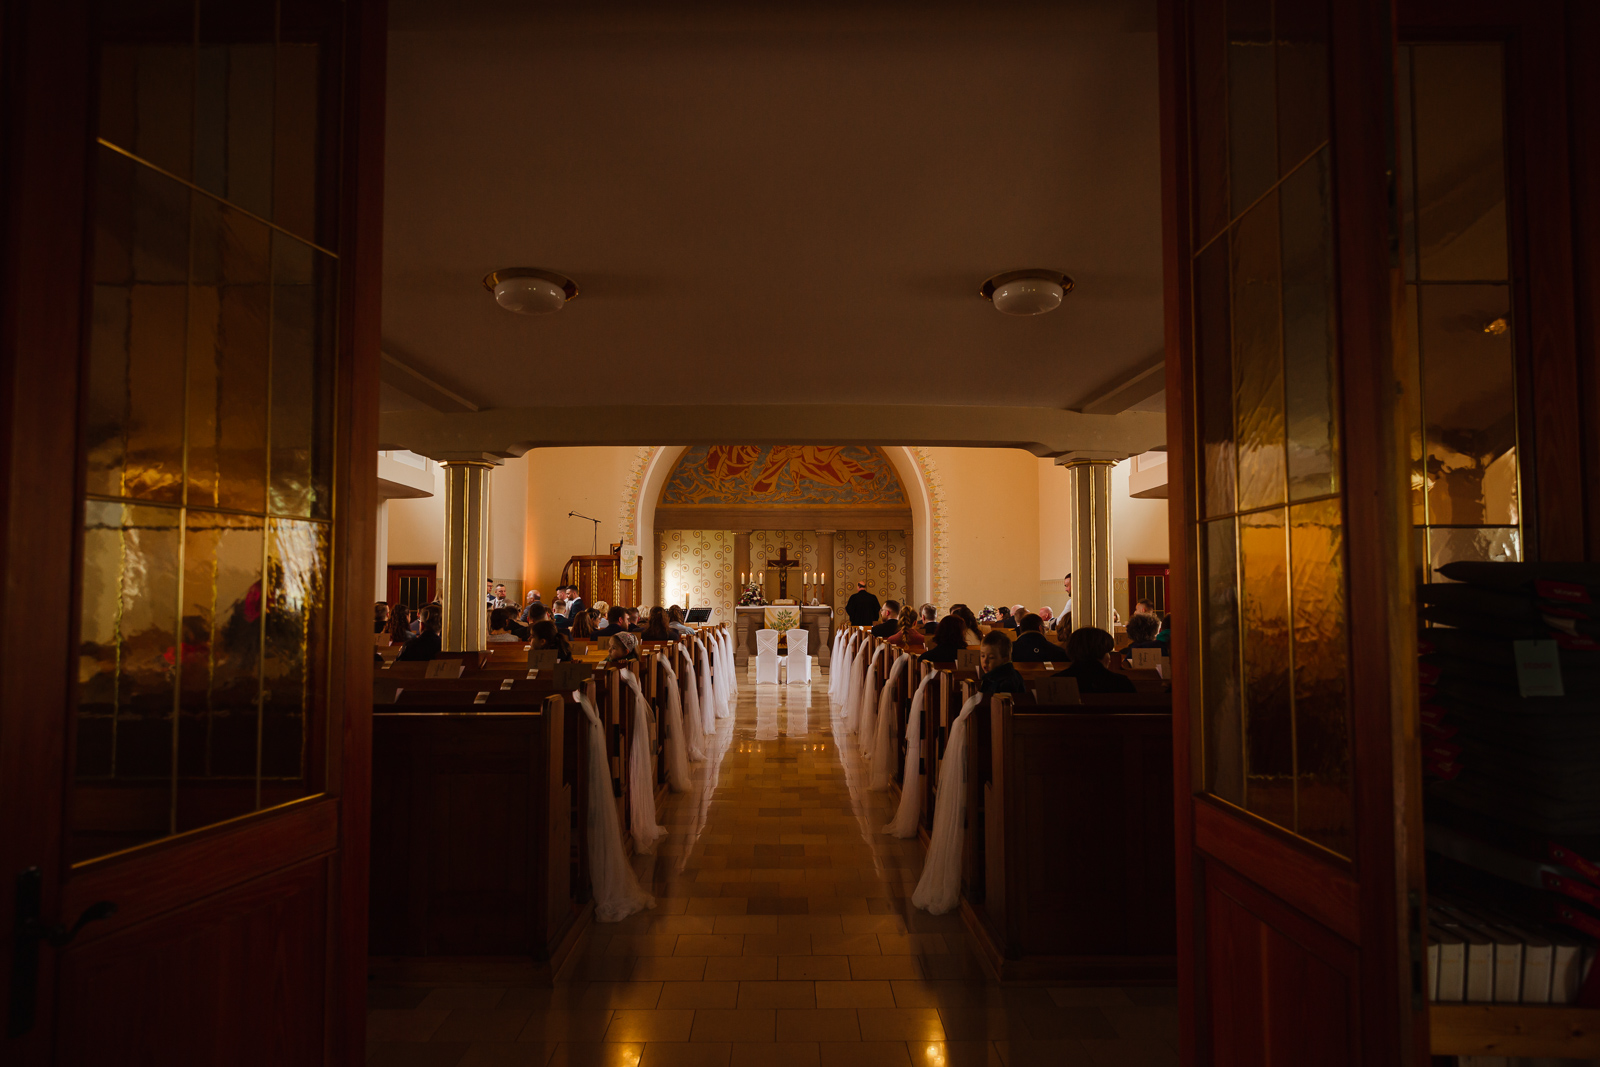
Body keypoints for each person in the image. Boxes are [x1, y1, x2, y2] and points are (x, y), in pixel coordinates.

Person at [1053, 627, 1136, 694]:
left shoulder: (1055, 682)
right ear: (1101, 652)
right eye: (1108, 652)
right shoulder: (1121, 684)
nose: (1110, 658)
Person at [977, 630, 1027, 697]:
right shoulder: (991, 677)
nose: (985, 661)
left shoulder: (1007, 682)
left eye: (991, 657)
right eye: (982, 656)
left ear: (1005, 659)